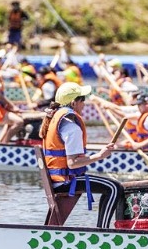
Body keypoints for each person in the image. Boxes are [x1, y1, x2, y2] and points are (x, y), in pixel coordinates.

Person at [40, 82, 124, 228]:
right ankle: (102, 231)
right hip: (66, 182)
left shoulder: (54, 119)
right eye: (83, 99)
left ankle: (103, 228)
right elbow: (72, 163)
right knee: (115, 188)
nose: (84, 104)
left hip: (57, 180)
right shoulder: (72, 128)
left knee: (111, 186)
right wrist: (100, 156)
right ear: (73, 103)